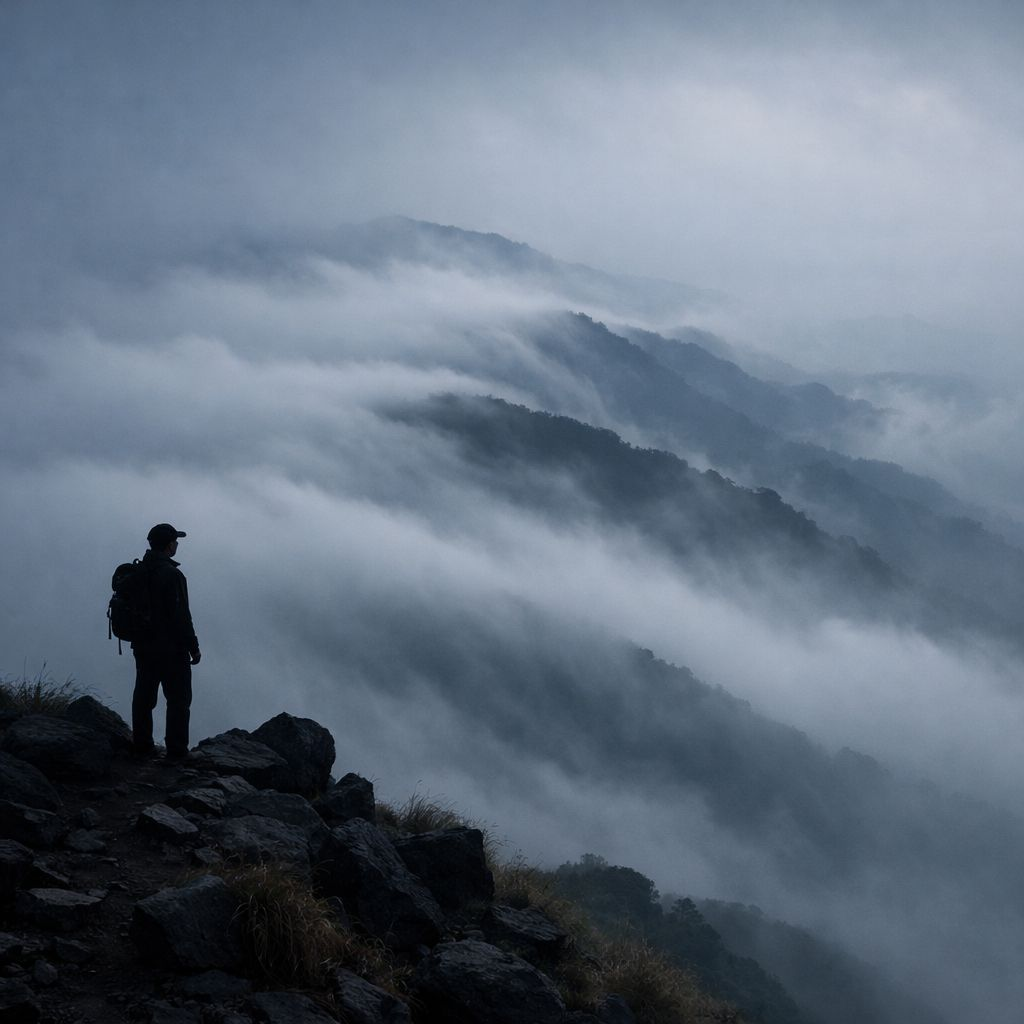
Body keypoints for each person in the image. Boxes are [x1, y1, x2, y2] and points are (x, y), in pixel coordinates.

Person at [131, 523, 201, 758]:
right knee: (179, 699)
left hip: (142, 644)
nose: (177, 544)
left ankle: (141, 745)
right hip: (171, 648)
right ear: (170, 545)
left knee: (144, 695)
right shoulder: (172, 575)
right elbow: (181, 616)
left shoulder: (138, 571)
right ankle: (177, 751)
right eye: (175, 541)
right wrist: (193, 647)